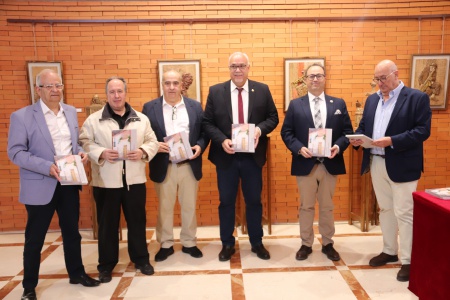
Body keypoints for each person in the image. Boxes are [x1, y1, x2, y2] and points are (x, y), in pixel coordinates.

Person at [7, 69, 100, 300]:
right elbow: (15, 152)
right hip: (40, 184)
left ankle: (76, 274)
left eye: (58, 85)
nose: (55, 90)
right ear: (38, 89)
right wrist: (46, 166)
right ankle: (29, 286)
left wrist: (81, 153)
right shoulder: (22, 116)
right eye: (49, 86)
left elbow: (73, 144)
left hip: (69, 182)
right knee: (35, 239)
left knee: (72, 233)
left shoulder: (69, 111)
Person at [349, 59, 432, 282]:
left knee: (404, 213)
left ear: (396, 74)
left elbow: (422, 131)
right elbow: (365, 126)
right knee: (385, 210)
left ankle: (408, 260)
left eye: (383, 78)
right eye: (377, 79)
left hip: (403, 164)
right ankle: (389, 250)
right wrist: (357, 137)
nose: (380, 83)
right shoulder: (371, 100)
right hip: (376, 162)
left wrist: (392, 141)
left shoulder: (416, 98)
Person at [79, 76, 159, 283]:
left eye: (120, 91)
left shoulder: (141, 119)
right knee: (107, 225)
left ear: (125, 93)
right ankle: (106, 265)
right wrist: (101, 152)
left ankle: (141, 259)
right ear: (107, 95)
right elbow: (84, 142)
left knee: (137, 222)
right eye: (112, 92)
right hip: (106, 182)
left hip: (135, 181)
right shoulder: (93, 120)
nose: (116, 95)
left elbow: (153, 141)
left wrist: (142, 151)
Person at [203, 52, 279, 261]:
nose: (237, 70)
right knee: (226, 201)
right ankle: (227, 243)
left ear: (248, 67)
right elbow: (207, 122)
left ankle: (256, 242)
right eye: (234, 66)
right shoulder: (216, 91)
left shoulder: (262, 90)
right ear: (229, 69)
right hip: (226, 156)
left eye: (242, 66)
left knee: (254, 201)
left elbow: (273, 118)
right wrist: (221, 140)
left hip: (252, 157)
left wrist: (259, 130)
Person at [281, 63, 354, 262]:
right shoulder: (296, 105)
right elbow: (286, 132)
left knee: (327, 206)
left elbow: (348, 132)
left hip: (330, 163)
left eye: (319, 76)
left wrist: (338, 147)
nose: (315, 79)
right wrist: (298, 148)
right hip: (305, 164)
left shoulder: (338, 104)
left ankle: (328, 243)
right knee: (306, 206)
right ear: (305, 79)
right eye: (311, 76)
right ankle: (306, 244)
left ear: (324, 78)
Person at [142, 70, 209, 262]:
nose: (171, 87)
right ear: (162, 85)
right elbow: (144, 135)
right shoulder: (149, 107)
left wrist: (200, 146)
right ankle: (166, 243)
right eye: (167, 83)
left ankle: (189, 242)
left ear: (182, 86)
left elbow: (204, 133)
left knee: (189, 206)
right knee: (165, 207)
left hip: (189, 164)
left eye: (175, 83)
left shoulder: (195, 107)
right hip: (164, 165)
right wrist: (155, 145)